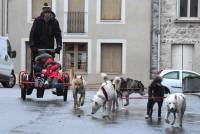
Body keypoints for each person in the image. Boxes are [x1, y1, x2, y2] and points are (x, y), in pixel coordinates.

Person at [29, 3, 62, 95]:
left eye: (48, 13)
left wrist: (59, 46)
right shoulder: (37, 21)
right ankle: (31, 84)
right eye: (45, 13)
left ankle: (56, 86)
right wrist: (32, 46)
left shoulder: (55, 22)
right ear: (43, 13)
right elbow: (32, 34)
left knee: (50, 67)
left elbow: (58, 35)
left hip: (49, 50)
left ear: (51, 13)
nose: (46, 15)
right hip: (37, 49)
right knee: (35, 67)